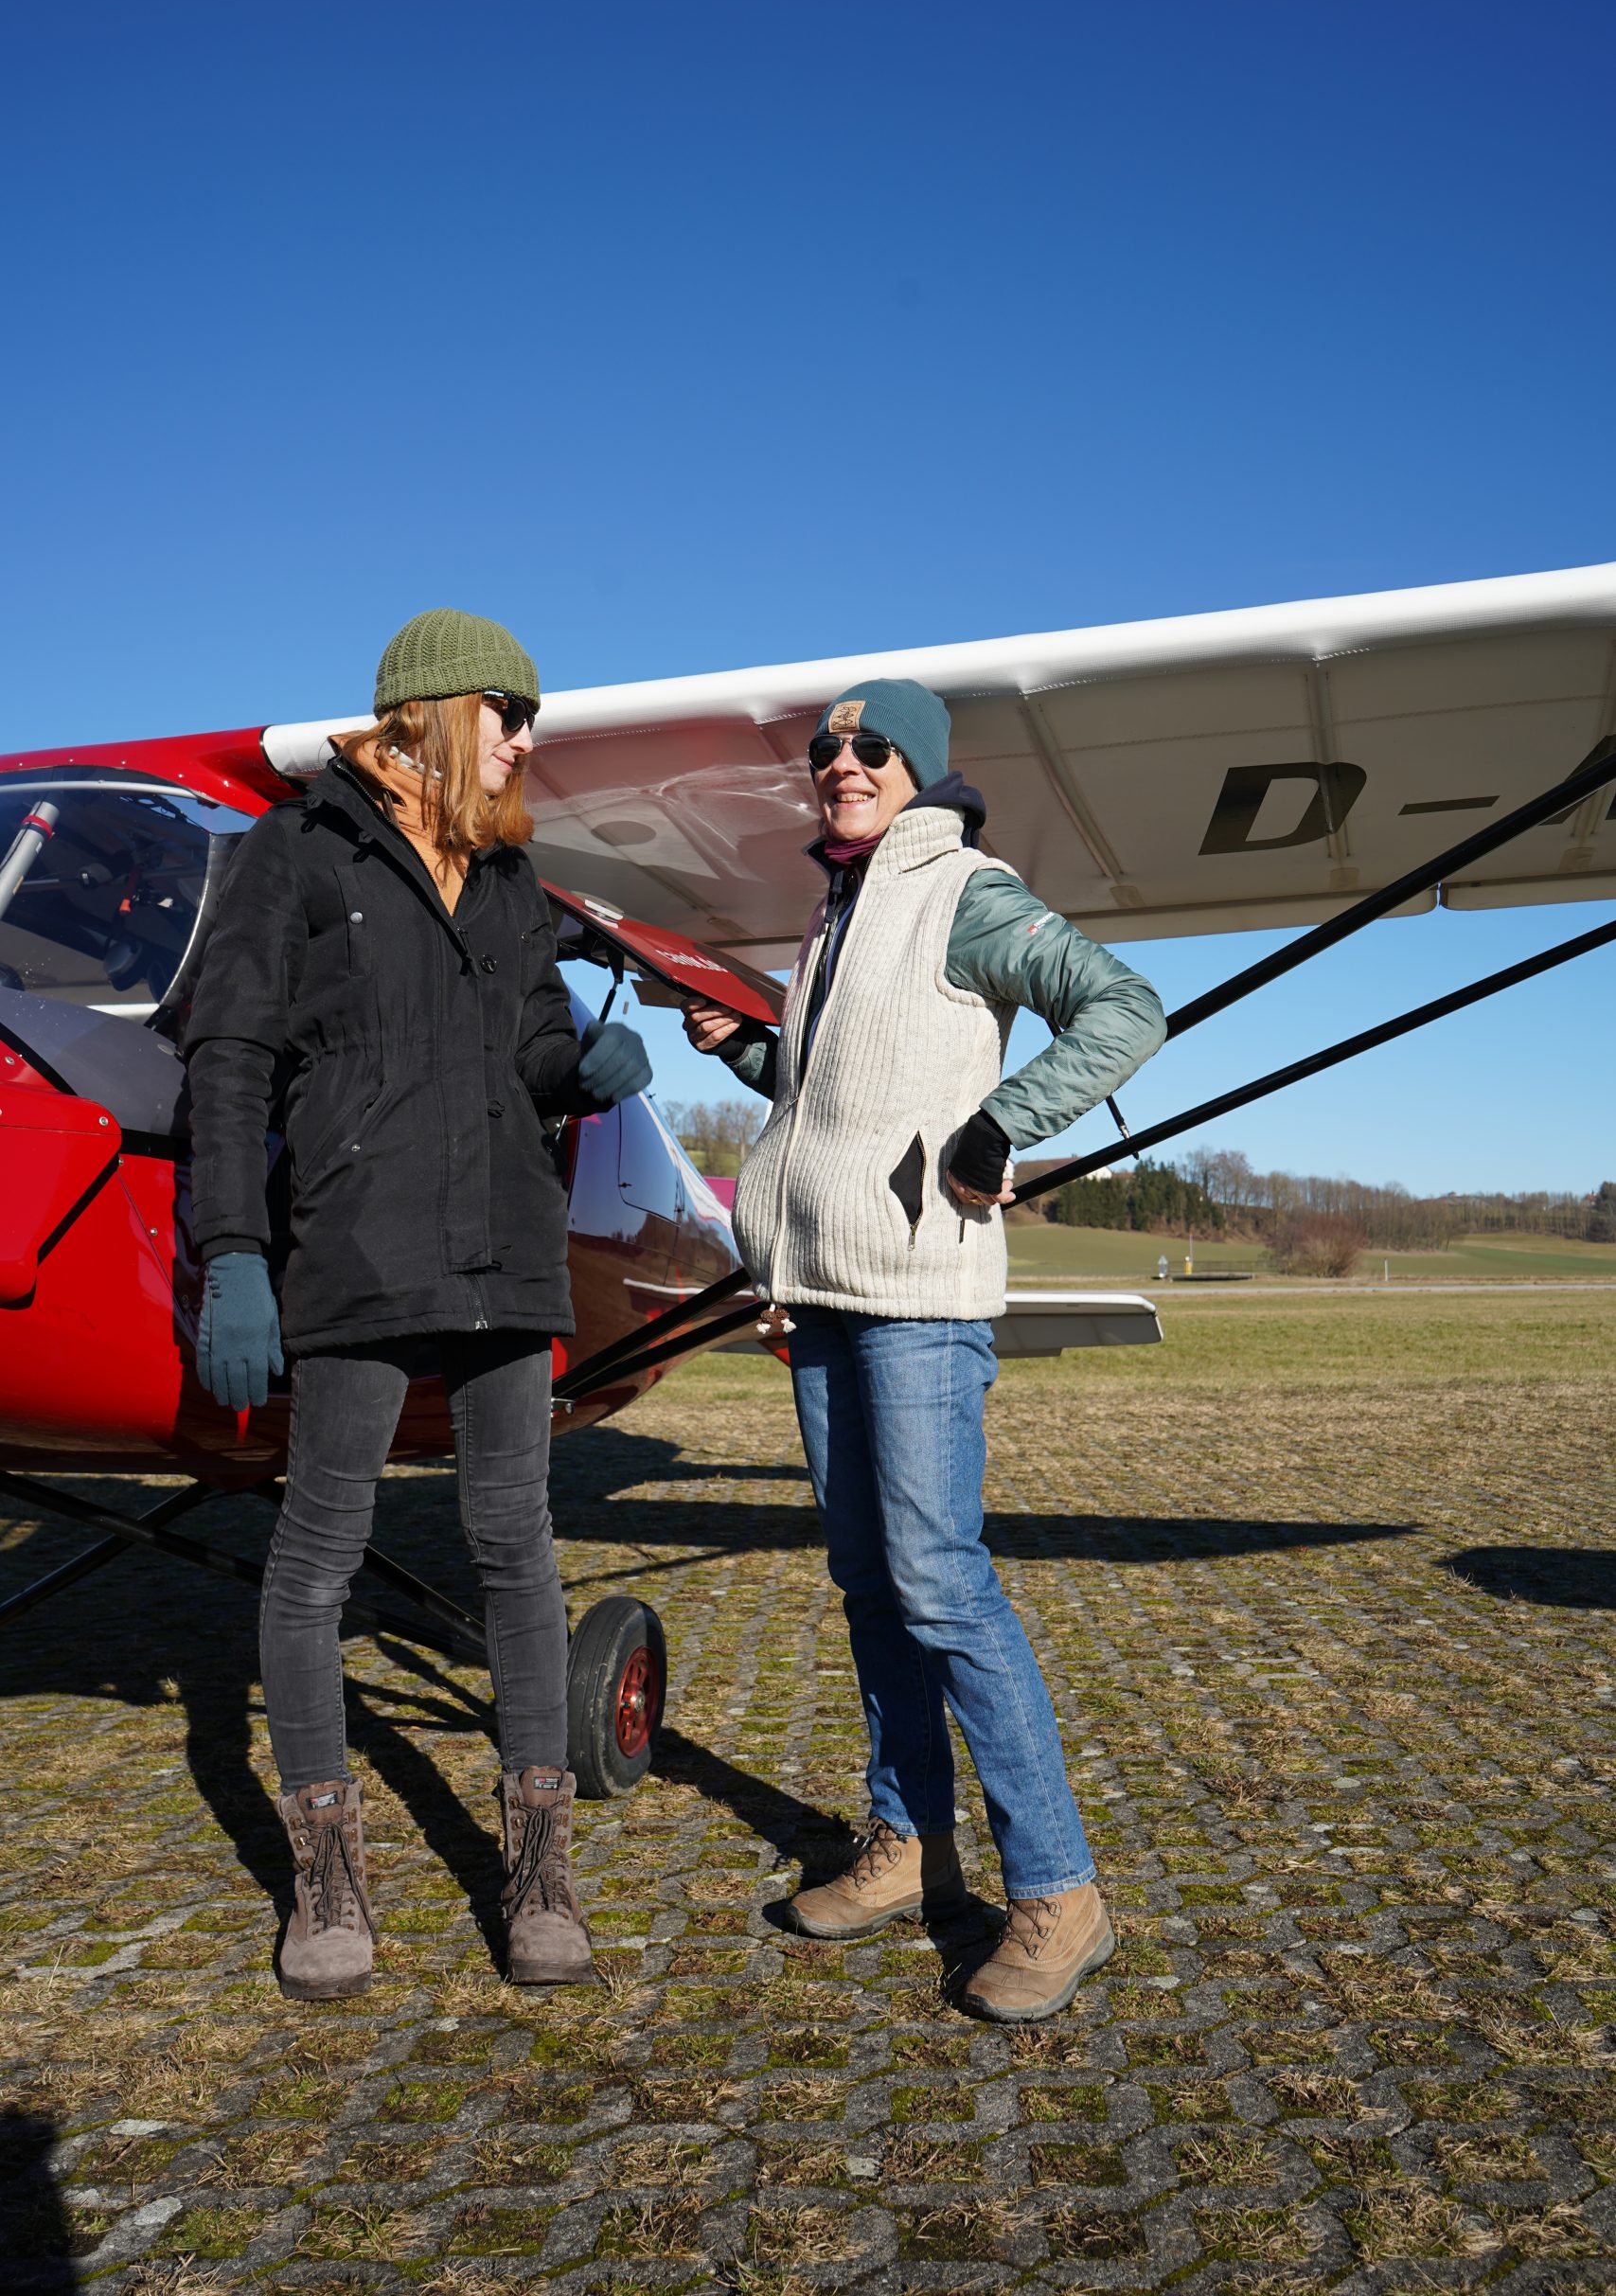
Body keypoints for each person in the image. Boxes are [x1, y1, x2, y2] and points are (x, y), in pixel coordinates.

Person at [184, 608, 650, 2002]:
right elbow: (226, 1059)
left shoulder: (510, 882)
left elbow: (532, 1050)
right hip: (358, 1251)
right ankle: (325, 1879)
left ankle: (541, 1872)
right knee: (318, 1554)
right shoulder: (297, 852)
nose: (526, 737)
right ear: (431, 713)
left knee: (514, 1542)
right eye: (509, 711)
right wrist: (234, 1252)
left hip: (506, 1251)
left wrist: (585, 1068)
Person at [684, 679, 1165, 2022]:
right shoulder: (837, 909)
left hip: (918, 1294)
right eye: (827, 749)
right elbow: (844, 1100)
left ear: (923, 771)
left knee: (942, 1583)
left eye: (871, 748)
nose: (843, 763)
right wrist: (750, 1054)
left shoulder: (965, 890)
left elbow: (1124, 1009)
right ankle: (909, 1843)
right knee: (868, 1581)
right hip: (824, 1288)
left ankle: (1061, 1891)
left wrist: (1003, 1124)